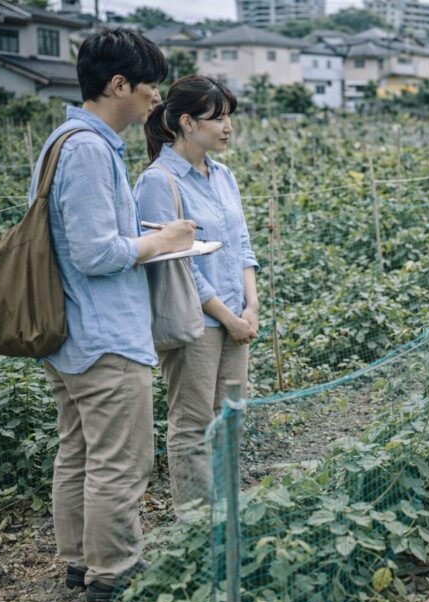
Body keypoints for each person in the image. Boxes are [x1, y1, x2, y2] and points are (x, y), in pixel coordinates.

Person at [28, 29, 196, 602]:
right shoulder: (89, 149)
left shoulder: (62, 141)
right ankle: (115, 571)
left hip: (70, 334)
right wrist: (165, 240)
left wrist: (139, 238)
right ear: (118, 84)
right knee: (119, 462)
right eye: (150, 85)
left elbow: (83, 239)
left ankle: (80, 562)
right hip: (104, 337)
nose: (156, 98)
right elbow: (96, 254)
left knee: (78, 452)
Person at [134, 75, 259, 517]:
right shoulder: (158, 182)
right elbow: (177, 262)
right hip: (195, 322)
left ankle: (226, 514)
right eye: (217, 117)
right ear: (186, 122)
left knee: (230, 420)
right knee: (192, 424)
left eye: (229, 117)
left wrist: (251, 305)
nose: (227, 127)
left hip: (236, 316)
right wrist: (228, 317)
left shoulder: (223, 176)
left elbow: (242, 242)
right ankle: (195, 525)